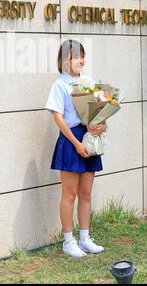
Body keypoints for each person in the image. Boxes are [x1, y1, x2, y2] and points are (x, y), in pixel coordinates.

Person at [45, 39, 107, 258]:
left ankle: (85, 238)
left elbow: (99, 112)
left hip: (89, 138)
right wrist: (76, 143)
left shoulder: (88, 81)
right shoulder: (60, 84)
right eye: (75, 57)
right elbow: (58, 117)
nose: (81, 60)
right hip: (72, 140)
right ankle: (68, 241)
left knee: (86, 193)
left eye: (82, 55)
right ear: (65, 60)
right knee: (69, 194)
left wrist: (102, 125)